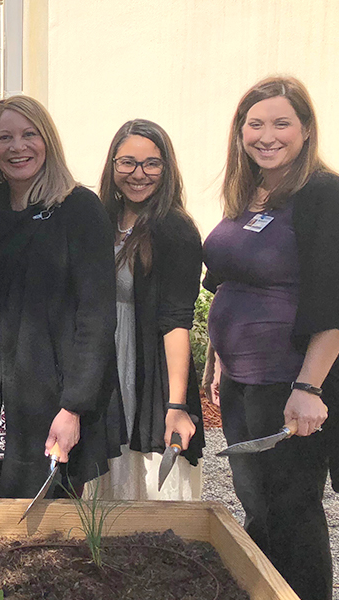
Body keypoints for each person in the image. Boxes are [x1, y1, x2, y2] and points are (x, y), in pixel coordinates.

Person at [203, 76, 339, 600]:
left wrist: (310, 388)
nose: (266, 135)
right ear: (240, 131)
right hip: (242, 382)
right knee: (258, 509)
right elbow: (229, 281)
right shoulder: (249, 193)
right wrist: (216, 357)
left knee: (293, 513)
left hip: (290, 381)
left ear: (305, 130)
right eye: (255, 124)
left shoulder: (325, 194)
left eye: (281, 123)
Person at [0, 95, 119, 498]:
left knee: (51, 528)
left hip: (56, 401)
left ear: (47, 140)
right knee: (4, 505)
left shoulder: (79, 209)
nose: (17, 147)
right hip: (0, 401)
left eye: (28, 134)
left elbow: (96, 317)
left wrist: (74, 408)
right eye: (4, 138)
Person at [95, 119, 204, 501]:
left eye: (151, 164)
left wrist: (176, 405)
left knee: (144, 480)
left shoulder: (174, 229)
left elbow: (177, 322)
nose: (138, 174)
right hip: (102, 363)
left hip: (147, 365)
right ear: (112, 166)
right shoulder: (100, 220)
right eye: (127, 162)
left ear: (167, 168)